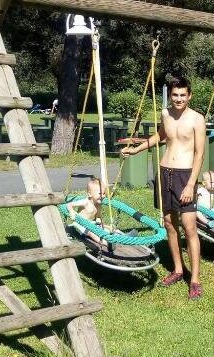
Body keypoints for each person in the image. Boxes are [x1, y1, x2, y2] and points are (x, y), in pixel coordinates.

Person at [122, 76, 206, 300]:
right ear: (170, 96)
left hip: (185, 176)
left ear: (189, 96)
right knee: (169, 223)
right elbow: (160, 136)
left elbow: (199, 154)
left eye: (182, 95)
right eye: (175, 95)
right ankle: (178, 269)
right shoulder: (165, 114)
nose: (178, 99)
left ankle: (195, 279)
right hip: (165, 172)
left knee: (189, 227)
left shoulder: (197, 119)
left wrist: (191, 184)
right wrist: (136, 149)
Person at [65, 177, 106, 245]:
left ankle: (117, 237)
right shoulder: (85, 202)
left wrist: (99, 220)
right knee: (91, 233)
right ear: (90, 194)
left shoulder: (98, 204)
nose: (103, 196)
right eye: (100, 193)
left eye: (104, 193)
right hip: (80, 225)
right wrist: (71, 211)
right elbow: (69, 204)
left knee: (106, 228)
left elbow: (98, 216)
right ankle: (105, 243)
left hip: (90, 224)